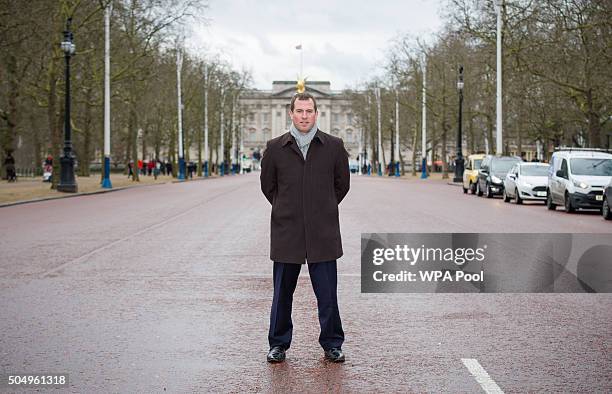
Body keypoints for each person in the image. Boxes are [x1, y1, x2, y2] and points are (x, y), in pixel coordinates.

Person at [260, 92, 350, 364]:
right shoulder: (275, 147)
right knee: (282, 295)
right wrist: (287, 209)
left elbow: (341, 185)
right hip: (287, 232)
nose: (304, 116)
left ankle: (332, 343)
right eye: (299, 111)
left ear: (316, 113)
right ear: (291, 113)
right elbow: (268, 186)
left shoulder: (334, 146)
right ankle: (278, 344)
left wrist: (320, 209)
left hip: (322, 232)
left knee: (327, 295)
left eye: (309, 111)